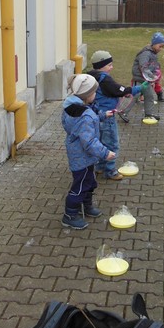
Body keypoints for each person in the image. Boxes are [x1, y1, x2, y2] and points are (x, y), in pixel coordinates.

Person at [61, 74, 116, 230]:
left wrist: (102, 116)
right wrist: (105, 153)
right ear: (87, 95)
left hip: (84, 157)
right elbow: (89, 141)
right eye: (94, 92)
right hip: (82, 157)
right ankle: (69, 215)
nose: (96, 95)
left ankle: (86, 206)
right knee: (80, 186)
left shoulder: (73, 107)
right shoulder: (85, 116)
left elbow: (84, 122)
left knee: (90, 182)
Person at [87, 50, 146, 180]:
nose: (112, 67)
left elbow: (111, 92)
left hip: (97, 115)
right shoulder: (104, 78)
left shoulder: (92, 77)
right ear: (101, 66)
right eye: (109, 65)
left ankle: (99, 167)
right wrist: (139, 88)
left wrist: (121, 93)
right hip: (107, 117)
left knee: (101, 142)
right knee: (112, 144)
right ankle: (110, 171)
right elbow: (119, 90)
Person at [132, 32, 164, 120]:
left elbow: (154, 67)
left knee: (150, 96)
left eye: (162, 47)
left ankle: (149, 114)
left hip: (146, 80)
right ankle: (122, 112)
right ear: (154, 44)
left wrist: (153, 79)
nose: (161, 49)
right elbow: (143, 66)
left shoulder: (153, 54)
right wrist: (152, 77)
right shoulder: (146, 53)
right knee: (135, 96)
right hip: (139, 79)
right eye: (160, 46)